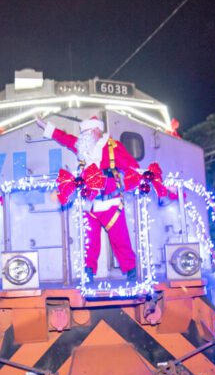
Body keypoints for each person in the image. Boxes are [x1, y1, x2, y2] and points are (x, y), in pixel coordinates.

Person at [36, 115, 141, 280]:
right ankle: (88, 272)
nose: (83, 135)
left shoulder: (113, 147)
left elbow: (132, 166)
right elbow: (65, 139)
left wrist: (150, 179)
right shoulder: (82, 147)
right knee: (89, 242)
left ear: (97, 130)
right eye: (82, 131)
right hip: (89, 204)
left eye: (86, 131)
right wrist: (47, 127)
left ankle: (131, 270)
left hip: (111, 203)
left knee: (120, 239)